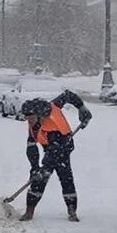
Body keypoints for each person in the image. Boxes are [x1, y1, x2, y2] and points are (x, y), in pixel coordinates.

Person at [19, 90, 93, 222]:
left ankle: (72, 210)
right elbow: (31, 146)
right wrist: (34, 167)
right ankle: (29, 210)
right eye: (27, 118)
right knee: (39, 177)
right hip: (49, 147)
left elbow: (68, 95)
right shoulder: (34, 124)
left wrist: (82, 108)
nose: (28, 121)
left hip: (64, 145)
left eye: (30, 118)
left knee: (65, 178)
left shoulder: (52, 113)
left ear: (39, 114)